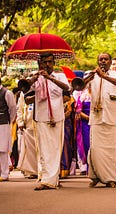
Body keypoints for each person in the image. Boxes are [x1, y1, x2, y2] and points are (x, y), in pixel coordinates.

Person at [27, 52, 70, 190]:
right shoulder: (36, 78)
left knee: (56, 149)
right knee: (45, 150)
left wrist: (50, 79)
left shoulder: (60, 76)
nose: (47, 65)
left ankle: (53, 178)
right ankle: (47, 180)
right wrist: (35, 78)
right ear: (40, 64)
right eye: (44, 62)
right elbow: (25, 89)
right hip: (42, 118)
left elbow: (67, 88)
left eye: (50, 62)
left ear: (54, 63)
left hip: (57, 117)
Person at [87, 53, 116, 188]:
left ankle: (110, 178)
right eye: (100, 59)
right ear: (98, 61)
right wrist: (90, 76)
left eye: (105, 59)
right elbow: (79, 86)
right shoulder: (92, 74)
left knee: (110, 150)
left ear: (110, 62)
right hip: (96, 117)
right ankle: (96, 176)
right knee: (95, 149)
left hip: (111, 117)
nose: (103, 61)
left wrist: (104, 77)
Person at [16, 84, 38, 179]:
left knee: (39, 149)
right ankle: (32, 171)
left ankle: (40, 170)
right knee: (29, 149)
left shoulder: (40, 90)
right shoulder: (22, 93)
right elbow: (19, 109)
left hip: (39, 123)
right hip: (28, 124)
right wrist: (20, 122)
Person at [73, 71, 92, 175]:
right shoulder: (82, 95)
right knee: (86, 144)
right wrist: (89, 118)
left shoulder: (98, 93)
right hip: (85, 123)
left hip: (97, 122)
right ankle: (88, 167)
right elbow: (78, 111)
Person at [0, 78, 17, 182]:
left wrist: (8, 120)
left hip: (3, 123)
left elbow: (13, 108)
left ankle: (5, 173)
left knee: (2, 149)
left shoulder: (7, 93)